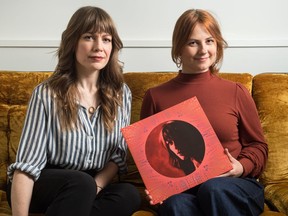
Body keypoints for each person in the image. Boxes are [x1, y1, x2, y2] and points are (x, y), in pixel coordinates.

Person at [7, 6, 141, 216]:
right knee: (81, 183)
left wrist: (96, 186)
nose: (98, 47)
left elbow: (118, 154)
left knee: (129, 194)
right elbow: (25, 167)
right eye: (89, 37)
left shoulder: (121, 93)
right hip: (44, 182)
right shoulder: (46, 93)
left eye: (106, 39)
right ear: (72, 42)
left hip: (90, 184)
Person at [140, 9, 268, 216]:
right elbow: (149, 161)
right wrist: (155, 188)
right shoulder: (156, 97)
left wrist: (240, 167)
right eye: (193, 43)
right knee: (175, 205)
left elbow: (258, 146)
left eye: (209, 41)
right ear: (178, 48)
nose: (203, 50)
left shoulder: (235, 91)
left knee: (213, 188)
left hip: (236, 185)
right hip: (186, 192)